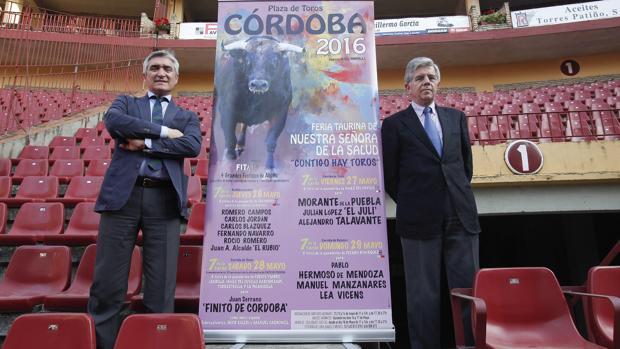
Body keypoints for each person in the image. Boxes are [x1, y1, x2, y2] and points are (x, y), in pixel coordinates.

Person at [88, 49, 202, 349]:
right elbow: (114, 122)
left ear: (176, 77)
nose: (161, 72)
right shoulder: (126, 103)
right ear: (146, 75)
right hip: (122, 198)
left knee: (161, 285)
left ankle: (156, 343)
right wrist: (164, 133)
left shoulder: (187, 116)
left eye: (167, 68)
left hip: (163, 200)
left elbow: (191, 145)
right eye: (155, 68)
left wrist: (145, 144)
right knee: (108, 282)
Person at [381, 57, 480, 349]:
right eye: (420, 77)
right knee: (423, 296)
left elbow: (465, 167)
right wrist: (416, 200)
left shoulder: (456, 118)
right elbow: (391, 176)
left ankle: (470, 344)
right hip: (418, 218)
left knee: (468, 291)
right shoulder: (394, 125)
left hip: (460, 215)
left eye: (431, 77)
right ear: (407, 86)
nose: (427, 82)